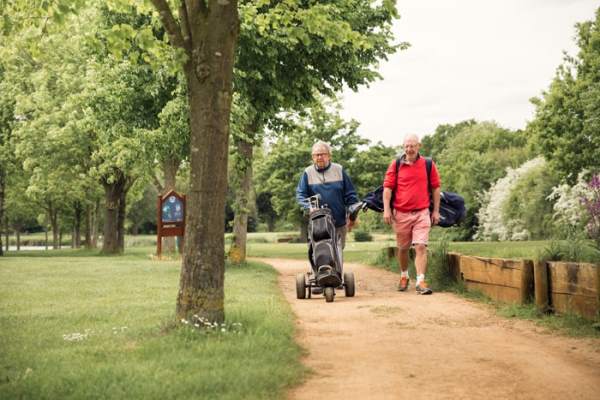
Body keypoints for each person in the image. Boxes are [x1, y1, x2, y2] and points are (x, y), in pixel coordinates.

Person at [296, 141, 359, 293]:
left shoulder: (339, 170)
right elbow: (301, 195)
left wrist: (352, 212)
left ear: (329, 155)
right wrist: (309, 206)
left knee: (337, 249)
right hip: (317, 221)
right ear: (312, 157)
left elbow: (350, 194)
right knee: (316, 249)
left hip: (338, 220)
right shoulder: (308, 173)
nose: (320, 157)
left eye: (322, 154)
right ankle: (319, 278)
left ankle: (336, 277)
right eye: (316, 155)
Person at [383, 134, 441, 295]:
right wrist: (387, 209)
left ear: (418, 146)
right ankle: (404, 275)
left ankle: (421, 281)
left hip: (422, 212)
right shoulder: (396, 164)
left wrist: (436, 211)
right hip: (401, 214)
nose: (409, 149)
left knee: (420, 246)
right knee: (403, 248)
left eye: (412, 146)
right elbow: (387, 188)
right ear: (403, 147)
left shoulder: (428, 164)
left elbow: (436, 188)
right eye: (406, 146)